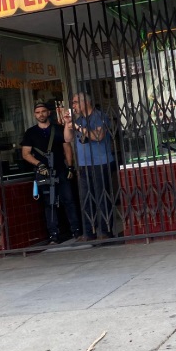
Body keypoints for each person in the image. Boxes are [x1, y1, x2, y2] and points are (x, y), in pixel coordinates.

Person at [21, 101, 81, 245]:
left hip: (60, 169)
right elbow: (26, 153)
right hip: (44, 172)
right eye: (38, 112)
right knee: (49, 203)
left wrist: (70, 167)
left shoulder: (58, 129)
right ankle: (53, 235)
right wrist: (39, 164)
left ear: (48, 113)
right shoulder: (30, 132)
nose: (41, 114)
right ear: (35, 115)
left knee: (69, 200)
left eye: (43, 111)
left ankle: (76, 231)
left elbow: (67, 148)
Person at [64, 92, 116, 240]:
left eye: (75, 102)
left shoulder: (99, 116)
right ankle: (89, 232)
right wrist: (68, 123)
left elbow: (98, 136)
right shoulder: (78, 119)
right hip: (83, 165)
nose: (73, 105)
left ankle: (105, 231)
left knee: (102, 197)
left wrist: (78, 127)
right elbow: (67, 138)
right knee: (86, 199)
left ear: (85, 102)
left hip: (101, 163)